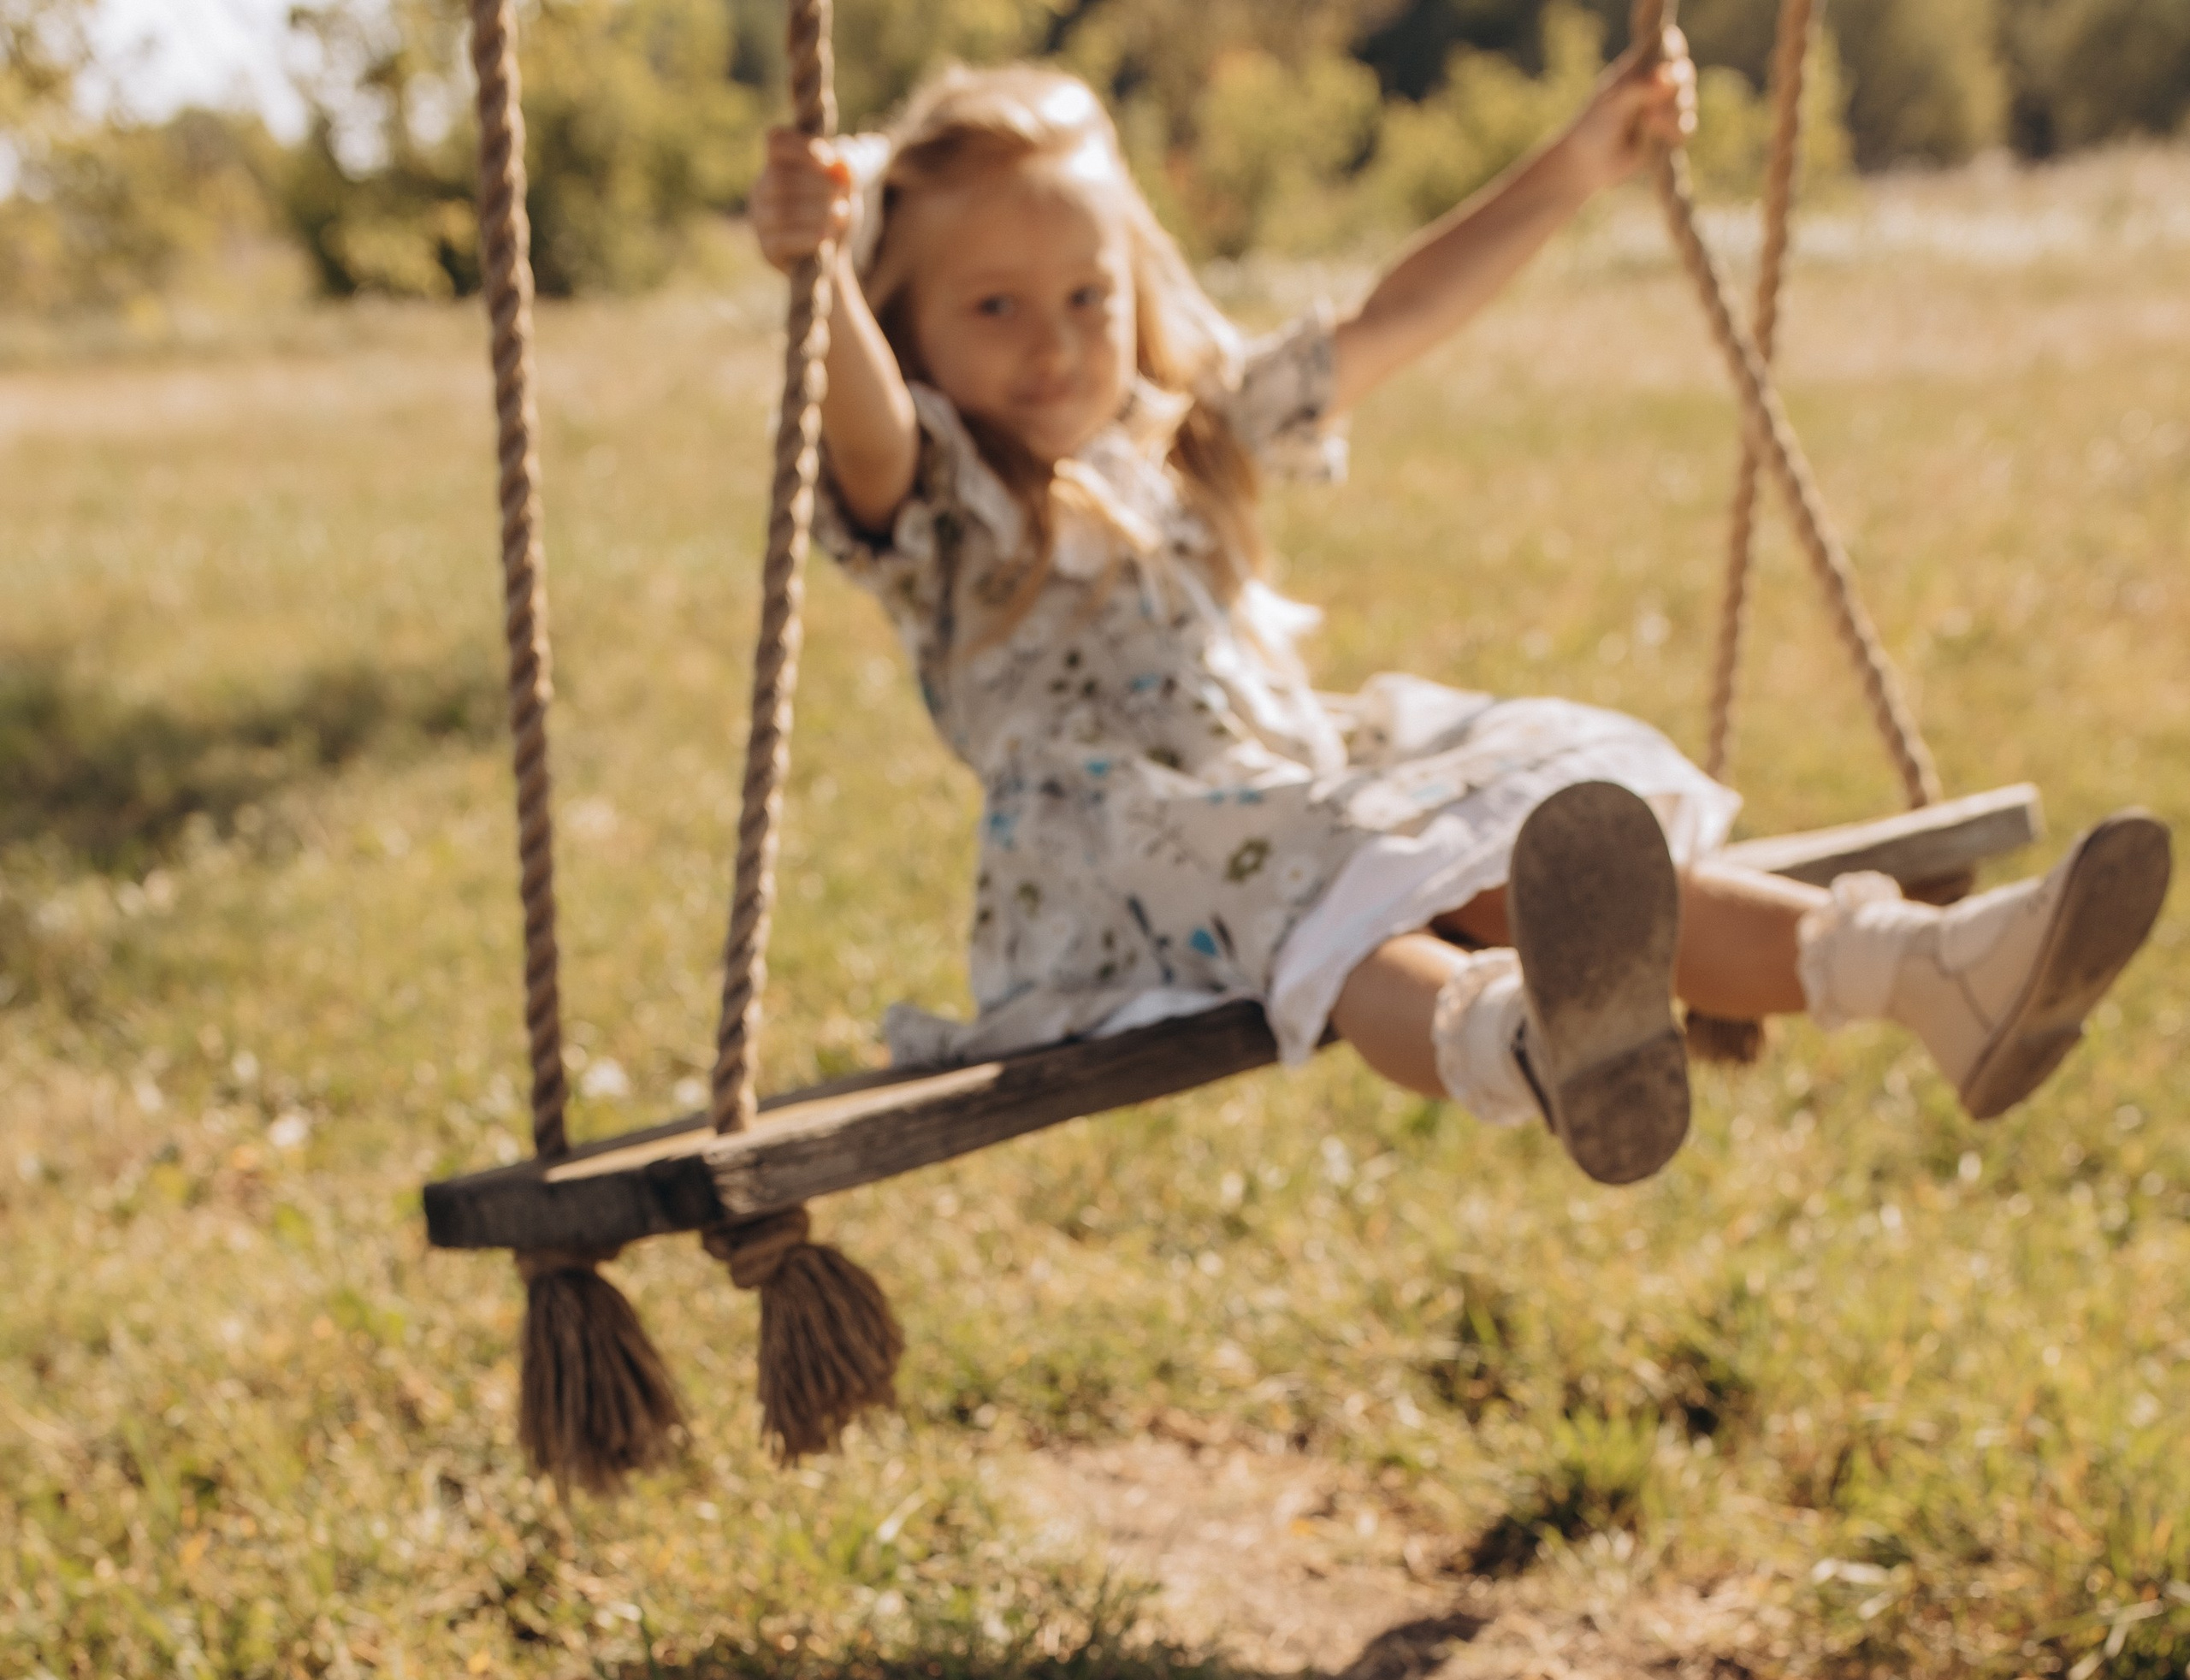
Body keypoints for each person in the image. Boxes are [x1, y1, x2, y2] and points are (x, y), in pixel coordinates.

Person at [750, 46, 2170, 1186]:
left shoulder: (1187, 438)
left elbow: (1390, 320)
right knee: (1343, 890)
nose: (1055, 341)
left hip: (1300, 786)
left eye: (1085, 293)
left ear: (1137, 283)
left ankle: (1930, 971)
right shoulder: (947, 506)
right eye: (993, 307)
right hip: (1121, 867)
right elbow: (863, 427)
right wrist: (818, 275)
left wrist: (1574, 165)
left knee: (1523, 838)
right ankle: (1524, 1046)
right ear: (910, 321)